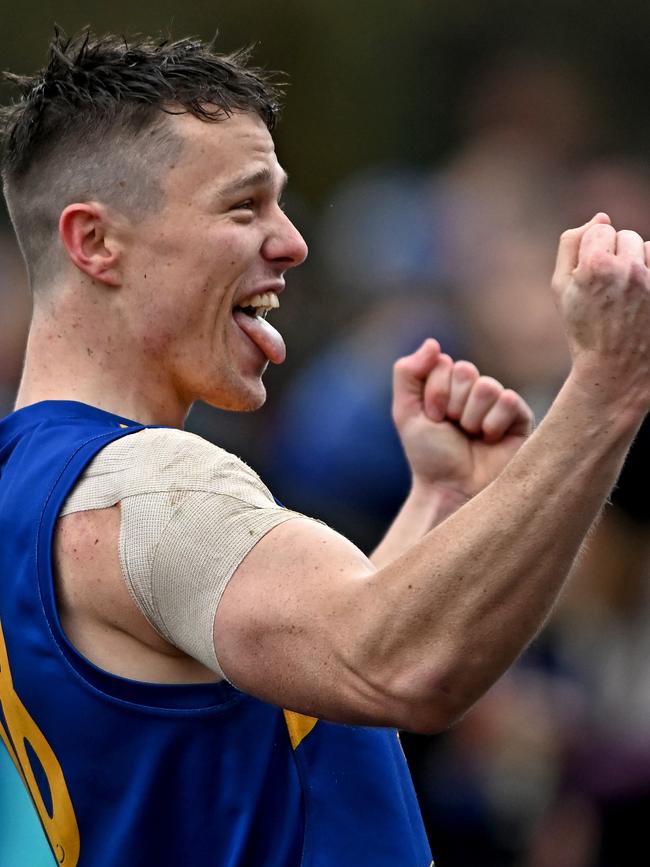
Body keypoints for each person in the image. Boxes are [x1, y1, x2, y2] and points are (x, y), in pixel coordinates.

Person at [0, 31, 649, 867]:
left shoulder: (32, 484)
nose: (293, 241)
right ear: (95, 243)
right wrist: (606, 389)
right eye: (245, 206)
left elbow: (317, 673)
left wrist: (437, 507)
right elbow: (397, 664)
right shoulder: (151, 487)